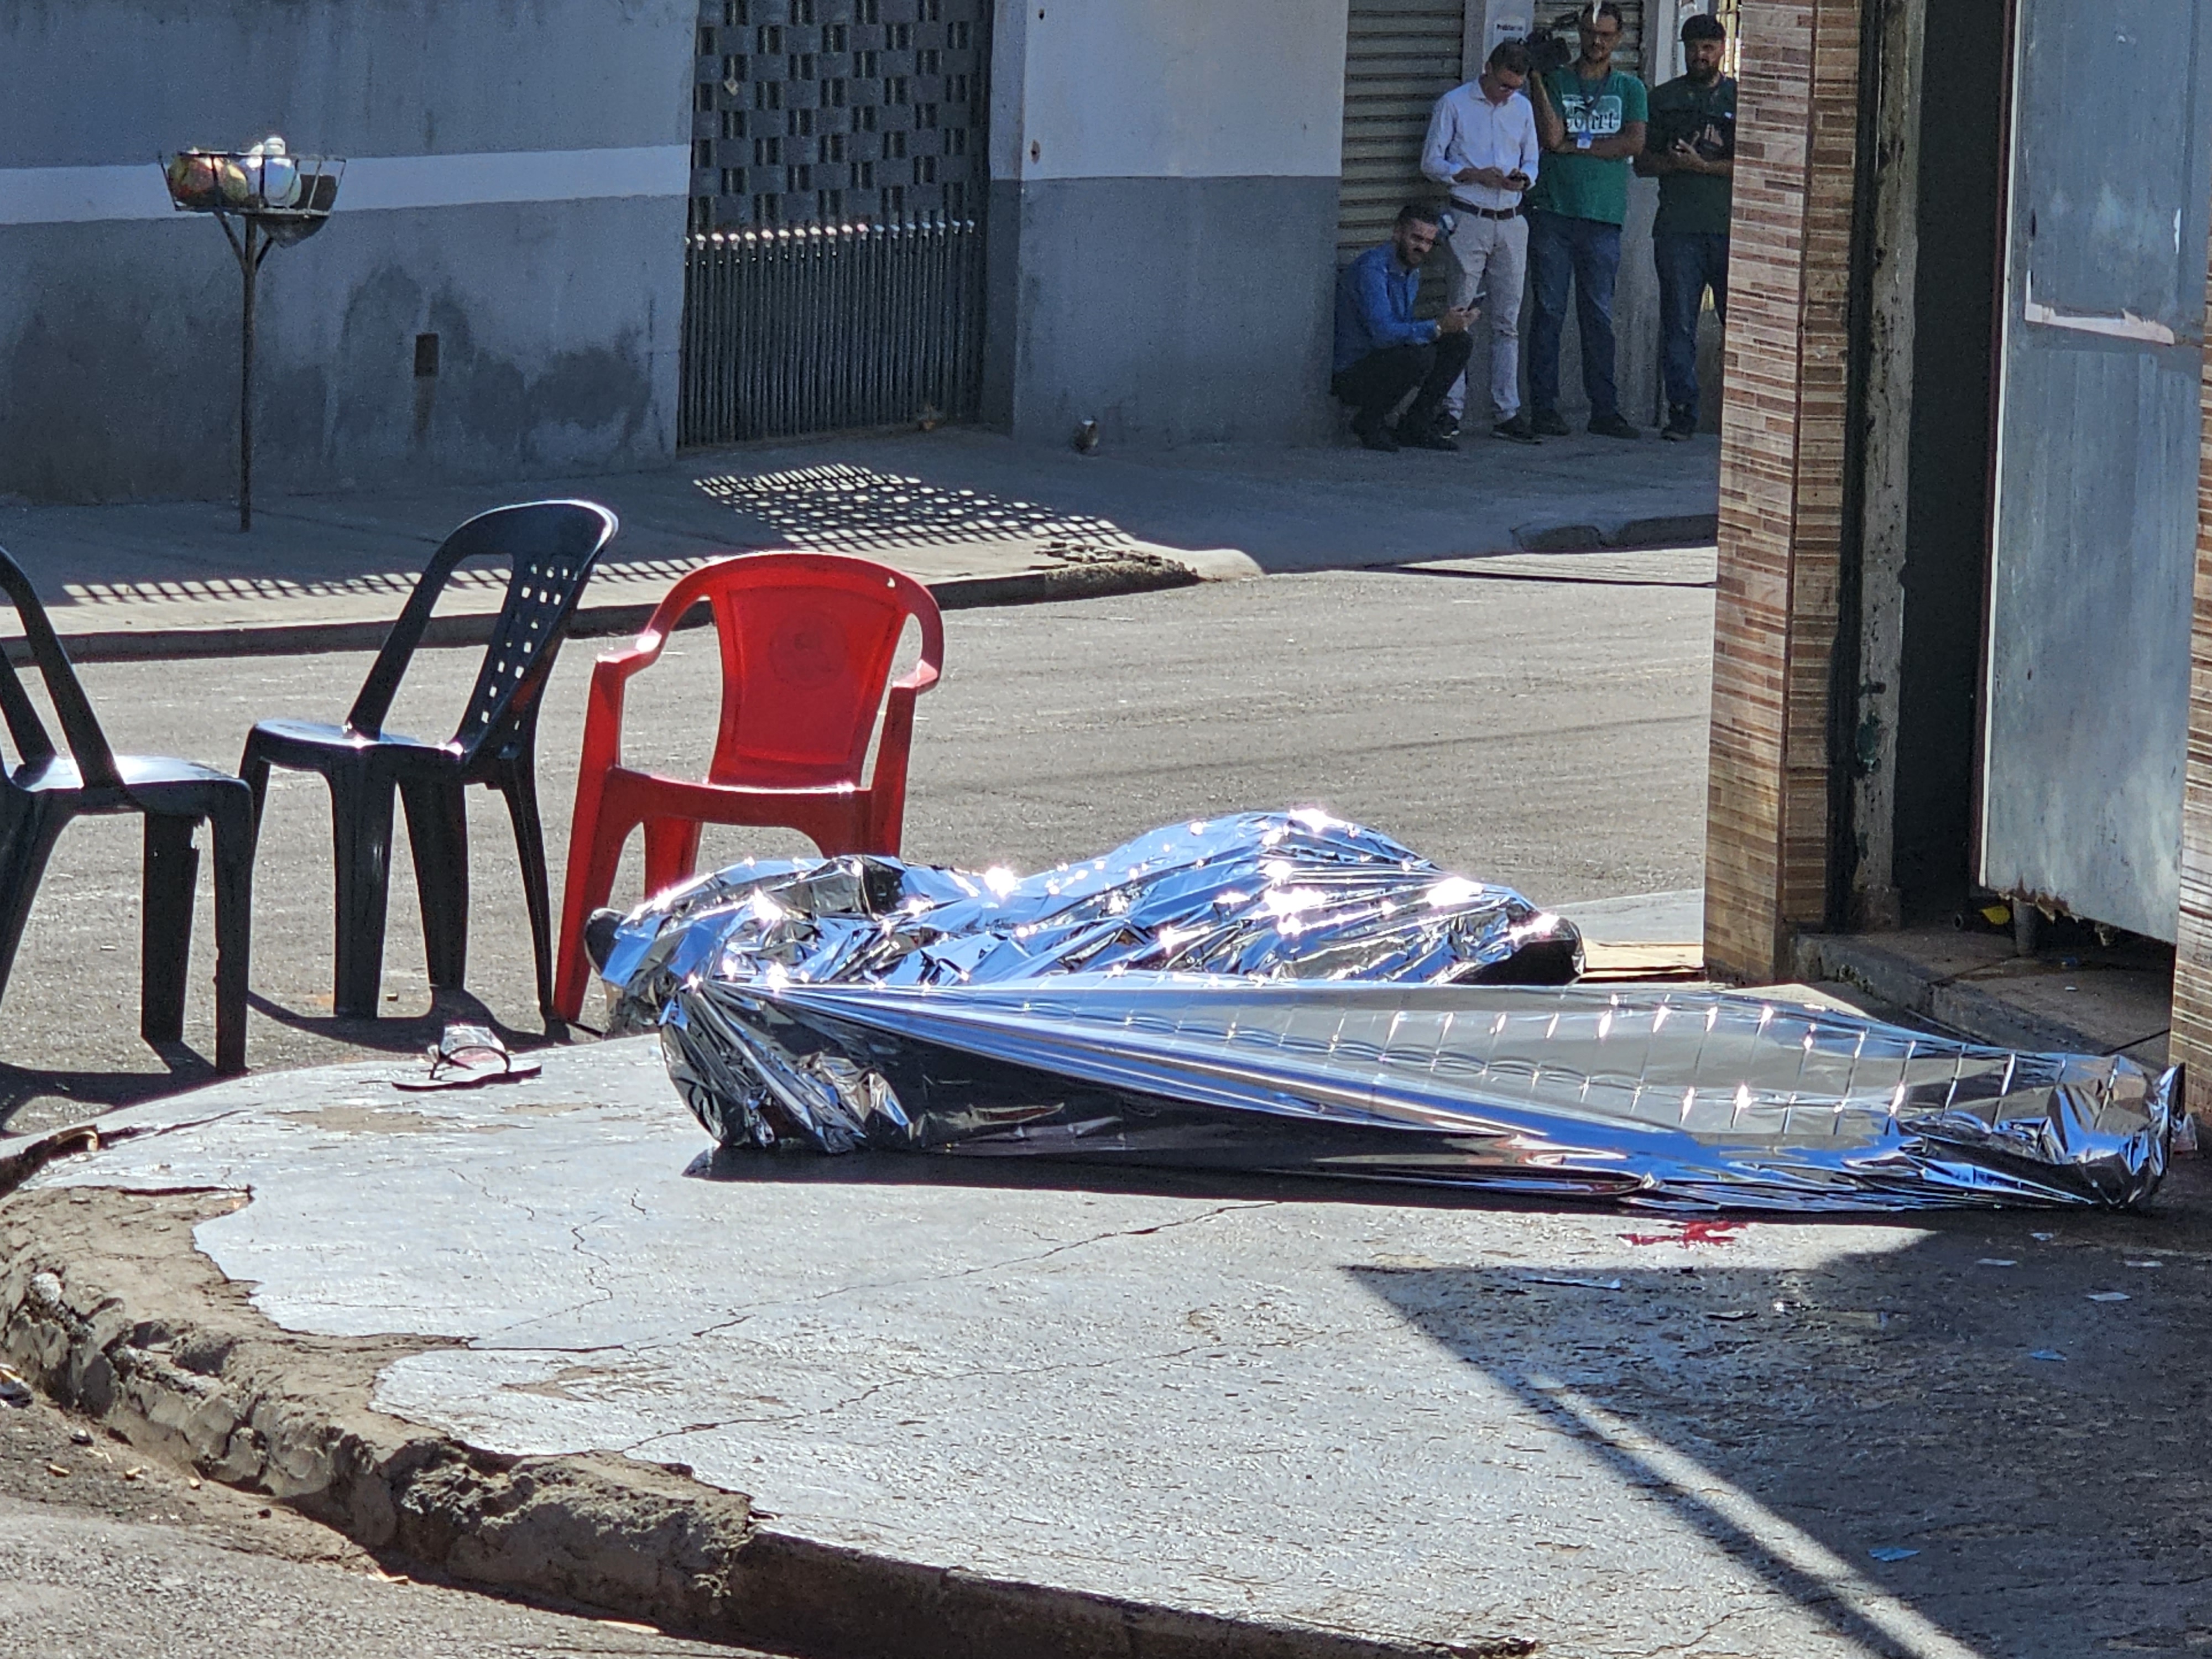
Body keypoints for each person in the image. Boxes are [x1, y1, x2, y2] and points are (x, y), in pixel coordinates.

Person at [1525, 1, 1648, 440]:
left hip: (1603, 217)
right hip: (1553, 212)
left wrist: (1577, 147)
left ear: (1619, 39)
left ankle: (1605, 409)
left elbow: (1632, 143)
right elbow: (1550, 137)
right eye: (1591, 33)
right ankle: (1544, 407)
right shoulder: (1555, 80)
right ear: (1579, 33)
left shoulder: (1630, 88)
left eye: (1607, 35)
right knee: (1549, 312)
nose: (1597, 42)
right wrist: (1536, 77)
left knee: (1598, 314)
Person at [1421, 39, 1542, 445]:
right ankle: (1450, 409)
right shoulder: (1454, 104)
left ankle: (1506, 411)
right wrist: (1473, 174)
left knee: (1508, 320)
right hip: (1468, 215)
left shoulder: (1522, 109)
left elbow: (1531, 160)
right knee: (1459, 313)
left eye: (1515, 87)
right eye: (1503, 85)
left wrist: (1522, 179)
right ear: (1488, 69)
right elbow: (1431, 162)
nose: (1508, 94)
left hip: (1510, 217)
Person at [1637, 11, 1735, 440]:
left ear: (1722, 50)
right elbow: (1642, 163)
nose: (1701, 55)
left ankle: (1740, 414)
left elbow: (1757, 165)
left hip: (1731, 229)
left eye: (1709, 48)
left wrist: (1704, 167)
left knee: (1745, 325)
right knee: (1679, 323)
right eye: (1694, 48)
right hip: (1678, 228)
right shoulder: (1663, 99)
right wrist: (1672, 163)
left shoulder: (1740, 98)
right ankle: (1682, 412)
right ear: (1683, 49)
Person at [1331, 204, 1477, 453]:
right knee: (1417, 355)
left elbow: (1404, 328)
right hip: (1353, 370)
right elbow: (1384, 334)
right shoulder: (1373, 269)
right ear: (1398, 233)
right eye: (1416, 238)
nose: (1422, 247)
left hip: (1386, 359)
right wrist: (1438, 326)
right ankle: (1369, 421)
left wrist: (1448, 328)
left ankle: (1416, 424)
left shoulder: (1412, 270)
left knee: (1459, 342)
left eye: (1429, 242)